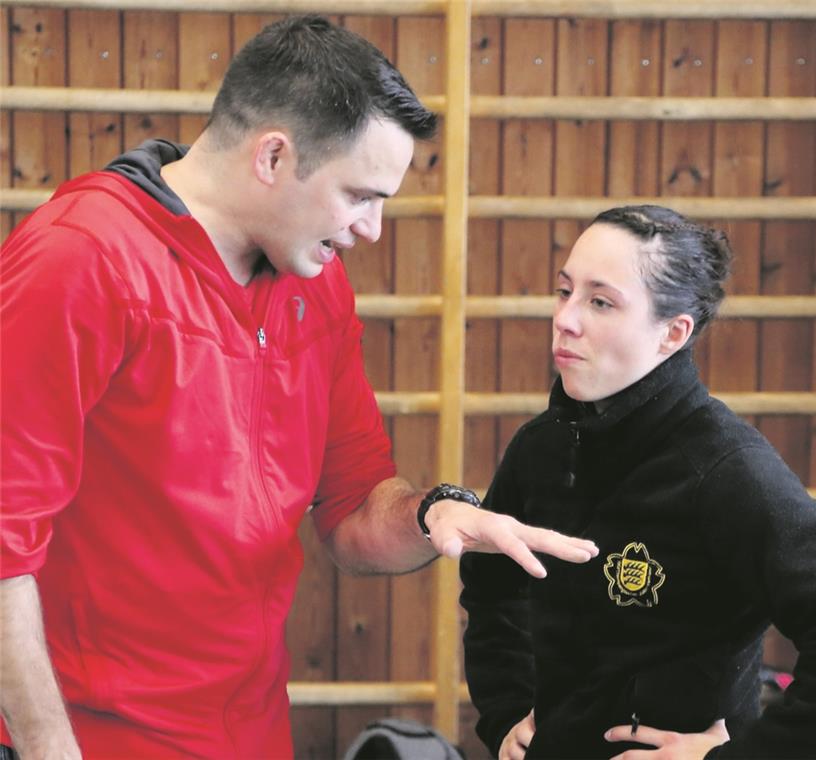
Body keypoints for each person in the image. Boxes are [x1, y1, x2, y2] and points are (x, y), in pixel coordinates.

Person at [0, 16, 599, 759]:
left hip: (247, 729)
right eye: (359, 195)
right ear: (273, 155)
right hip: (88, 736)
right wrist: (49, 751)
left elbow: (351, 505)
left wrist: (437, 513)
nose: (373, 228)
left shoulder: (315, 283)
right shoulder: (80, 260)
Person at [459, 205, 816, 759]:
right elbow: (491, 589)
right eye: (564, 291)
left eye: (600, 301)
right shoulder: (539, 447)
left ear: (673, 332)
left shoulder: (727, 469)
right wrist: (504, 712)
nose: (566, 319)